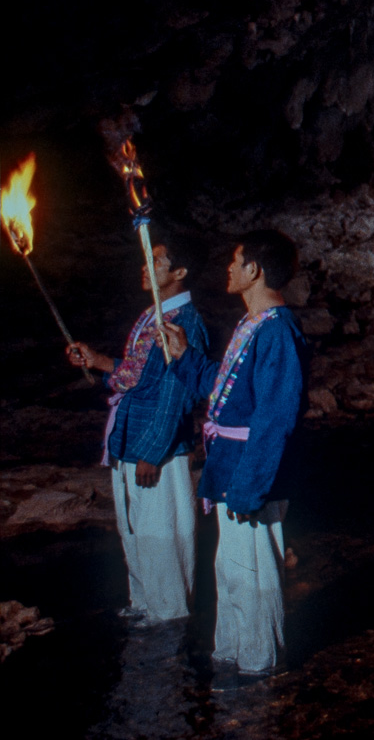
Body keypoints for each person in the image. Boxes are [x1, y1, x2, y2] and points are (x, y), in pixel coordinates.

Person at [160, 229, 306, 677]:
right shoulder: (251, 325)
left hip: (250, 475)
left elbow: (273, 419)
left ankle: (261, 665)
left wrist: (249, 488)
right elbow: (224, 391)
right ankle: (236, 655)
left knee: (257, 570)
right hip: (232, 469)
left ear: (254, 271)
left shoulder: (278, 332)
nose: (228, 267)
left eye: (236, 260)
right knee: (233, 569)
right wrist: (185, 357)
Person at [65, 238, 209, 625]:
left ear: (179, 273)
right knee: (135, 529)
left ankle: (169, 614)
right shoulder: (153, 315)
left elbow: (177, 390)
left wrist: (153, 448)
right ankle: (146, 602)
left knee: (160, 530)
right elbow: (138, 376)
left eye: (157, 260)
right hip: (130, 437)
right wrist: (95, 360)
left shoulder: (185, 320)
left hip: (153, 445)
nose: (146, 266)